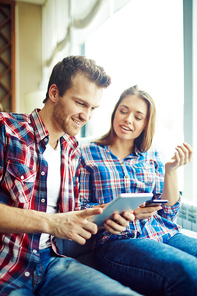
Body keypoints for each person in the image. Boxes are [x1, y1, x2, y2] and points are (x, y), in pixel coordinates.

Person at [0, 56, 141, 296]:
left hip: (52, 263)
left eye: (93, 108)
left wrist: (104, 217)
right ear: (54, 93)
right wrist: (52, 223)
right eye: (80, 103)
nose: (87, 116)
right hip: (7, 266)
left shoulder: (72, 149)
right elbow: (57, 222)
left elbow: (72, 215)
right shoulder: (6, 130)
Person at [78, 85, 197, 296]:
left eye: (138, 116)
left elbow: (168, 213)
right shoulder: (87, 154)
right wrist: (126, 214)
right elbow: (80, 210)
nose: (128, 119)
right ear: (115, 111)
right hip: (117, 242)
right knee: (189, 272)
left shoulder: (152, 157)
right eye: (123, 110)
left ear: (145, 124)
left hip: (163, 233)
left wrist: (171, 170)